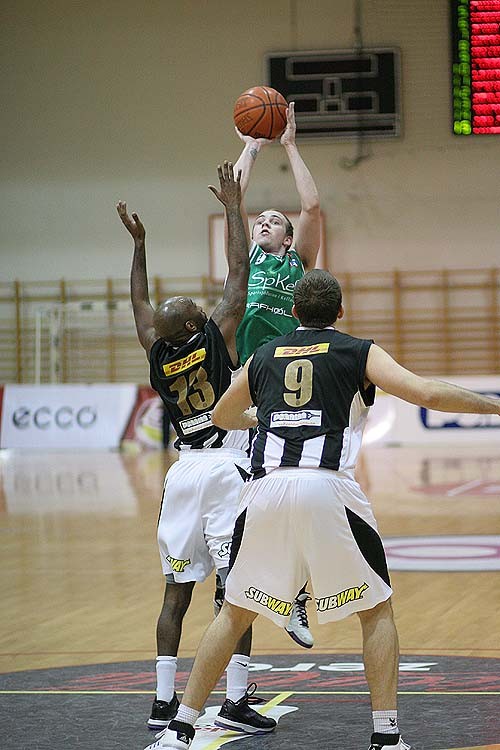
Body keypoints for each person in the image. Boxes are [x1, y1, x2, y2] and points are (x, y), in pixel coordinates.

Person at [151, 269, 500, 750]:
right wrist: (495, 407)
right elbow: (426, 394)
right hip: (327, 488)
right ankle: (386, 736)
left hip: (264, 490)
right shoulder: (357, 351)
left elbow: (221, 416)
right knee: (376, 611)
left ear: (294, 312)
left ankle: (180, 730)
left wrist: (261, 418)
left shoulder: (263, 355)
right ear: (340, 311)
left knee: (233, 613)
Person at [117, 162, 276, 736]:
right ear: (194, 326)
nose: (202, 310)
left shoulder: (155, 351)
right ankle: (233, 699)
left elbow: (139, 304)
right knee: (236, 591)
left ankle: (163, 701)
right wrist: (234, 208)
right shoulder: (214, 335)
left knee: (174, 593)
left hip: (182, 474)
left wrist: (140, 246)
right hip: (226, 469)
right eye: (194, 310)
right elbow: (239, 274)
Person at [228, 100, 321, 648]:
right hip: (246, 382)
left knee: (298, 502)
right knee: (250, 504)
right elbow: (232, 197)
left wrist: (289, 145)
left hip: (289, 385)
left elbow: (312, 204)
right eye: (259, 219)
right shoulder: (245, 261)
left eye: (274, 220)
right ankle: (241, 589)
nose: (263, 220)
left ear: (288, 238)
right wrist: (251, 146)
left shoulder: (296, 262)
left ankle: (297, 598)